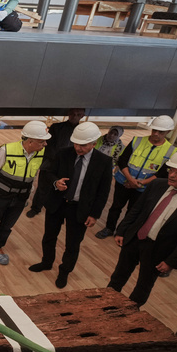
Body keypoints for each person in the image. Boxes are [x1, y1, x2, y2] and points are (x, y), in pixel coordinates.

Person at [107, 149, 177, 307]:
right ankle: (105, 304)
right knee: (118, 276)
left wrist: (171, 262)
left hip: (159, 251)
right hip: (135, 239)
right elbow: (137, 210)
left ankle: (130, 313)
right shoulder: (157, 184)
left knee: (143, 286)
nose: (171, 175)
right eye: (171, 170)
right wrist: (122, 230)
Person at [29, 122, 112, 288]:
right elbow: (48, 173)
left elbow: (103, 191)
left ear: (94, 143)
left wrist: (95, 214)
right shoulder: (63, 153)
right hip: (57, 203)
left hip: (80, 209)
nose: (78, 148)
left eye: (83, 145)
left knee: (72, 244)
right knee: (49, 237)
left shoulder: (104, 162)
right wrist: (55, 182)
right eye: (75, 144)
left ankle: (64, 271)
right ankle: (46, 262)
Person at [0, 121, 51, 266]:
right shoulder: (7, 150)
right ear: (30, 141)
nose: (45, 145)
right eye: (42, 142)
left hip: (20, 198)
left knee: (7, 226)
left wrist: (28, 196)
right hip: (0, 195)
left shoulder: (41, 154)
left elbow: (33, 177)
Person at [96, 115, 177, 239]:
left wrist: (141, 183)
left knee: (133, 211)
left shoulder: (171, 151)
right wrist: (130, 179)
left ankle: (121, 232)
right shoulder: (137, 141)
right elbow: (122, 161)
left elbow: (162, 173)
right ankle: (109, 228)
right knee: (116, 207)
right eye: (154, 130)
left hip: (144, 187)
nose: (155, 134)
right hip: (123, 181)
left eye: (160, 132)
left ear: (168, 132)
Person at [27, 108, 85, 218]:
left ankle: (56, 209)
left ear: (82, 116)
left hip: (68, 165)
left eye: (78, 114)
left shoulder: (82, 131)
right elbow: (49, 146)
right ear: (68, 114)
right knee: (42, 187)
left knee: (62, 187)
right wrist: (58, 159)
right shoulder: (56, 127)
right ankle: (36, 208)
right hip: (50, 162)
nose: (74, 116)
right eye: (72, 114)